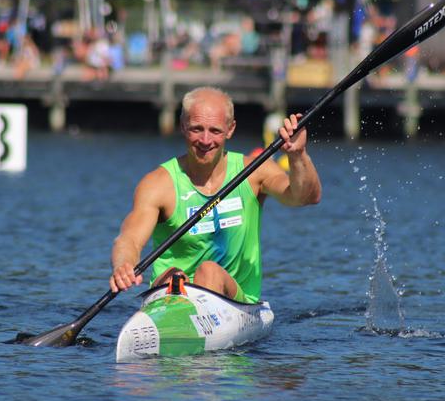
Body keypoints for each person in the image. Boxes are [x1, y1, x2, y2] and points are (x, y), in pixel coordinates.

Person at [109, 86, 322, 303]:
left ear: (230, 129)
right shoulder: (158, 184)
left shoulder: (255, 171)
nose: (205, 140)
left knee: (208, 271)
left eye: (215, 131)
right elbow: (130, 239)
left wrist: (298, 155)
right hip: (171, 292)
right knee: (174, 276)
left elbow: (305, 197)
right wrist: (124, 265)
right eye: (196, 129)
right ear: (183, 126)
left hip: (236, 302)